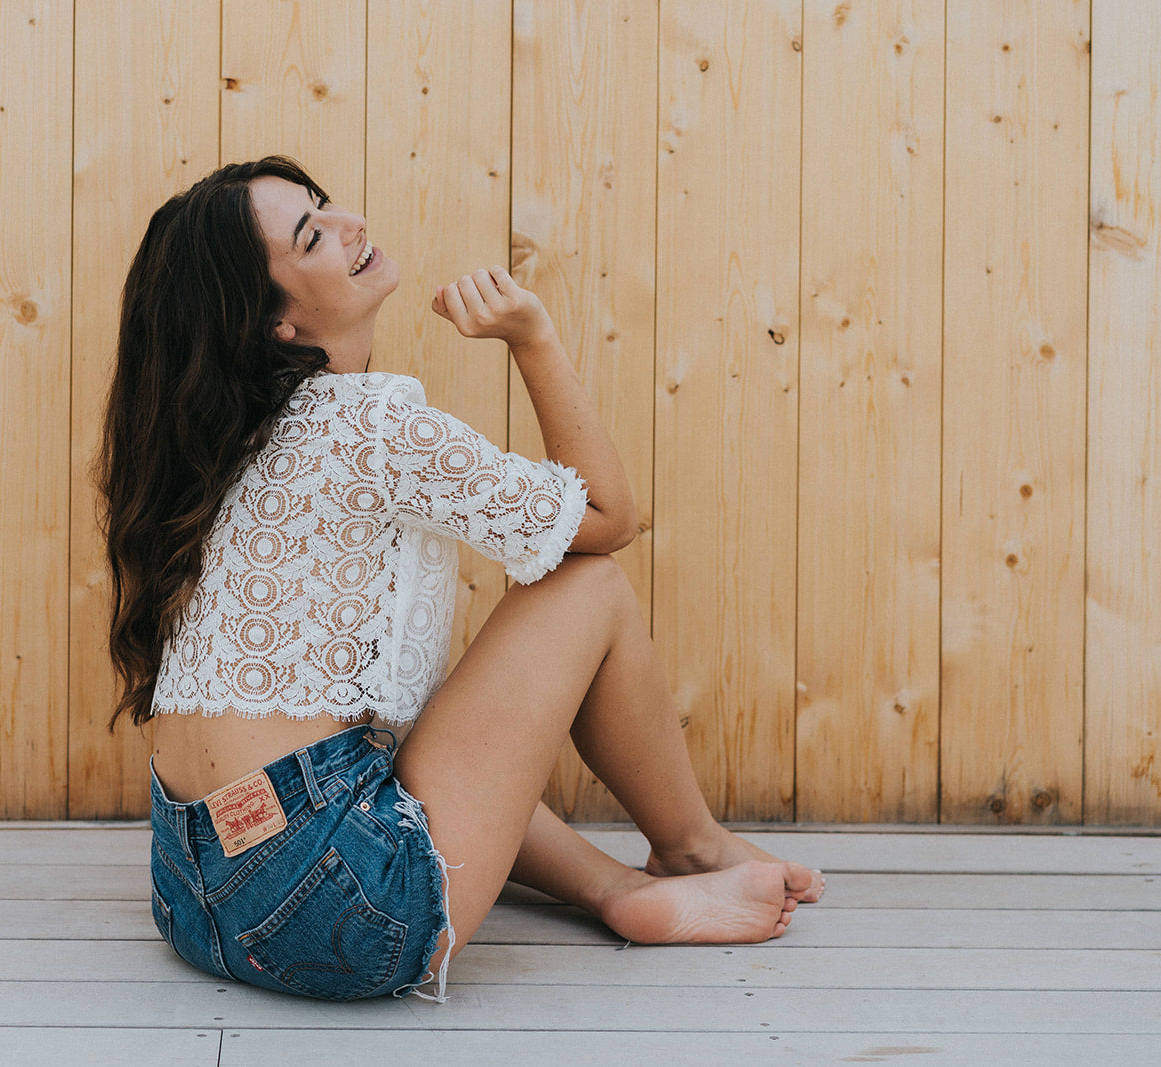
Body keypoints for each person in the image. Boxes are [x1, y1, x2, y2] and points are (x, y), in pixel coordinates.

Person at [91, 155, 824, 1005]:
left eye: (325, 207)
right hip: (339, 908)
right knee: (588, 585)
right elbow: (608, 519)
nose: (350, 224)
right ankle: (691, 844)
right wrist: (532, 338)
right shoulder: (370, 422)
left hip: (192, 894)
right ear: (275, 322)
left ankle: (620, 890)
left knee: (389, 738)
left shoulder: (226, 457)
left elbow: (416, 759)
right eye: (312, 235)